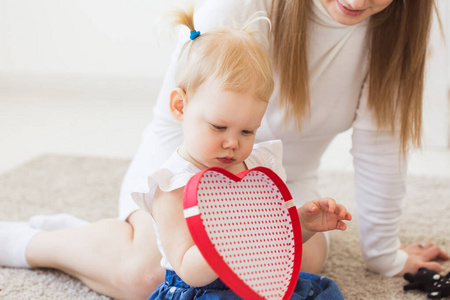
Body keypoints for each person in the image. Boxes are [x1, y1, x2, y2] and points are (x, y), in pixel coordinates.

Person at [0, 0, 448, 299]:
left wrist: (384, 255)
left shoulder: (402, 29)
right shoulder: (238, 10)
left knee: (304, 263)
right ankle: (39, 242)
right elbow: (178, 121)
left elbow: (380, 150)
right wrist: (215, 224)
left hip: (267, 177)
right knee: (146, 275)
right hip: (184, 163)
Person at [137, 7, 350, 299]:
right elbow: (190, 271)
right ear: (180, 107)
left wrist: (301, 225)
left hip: (258, 281)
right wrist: (230, 239)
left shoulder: (255, 169)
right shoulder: (172, 186)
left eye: (247, 131)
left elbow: (275, 242)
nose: (233, 143)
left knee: (319, 291)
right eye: (219, 127)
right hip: (206, 291)